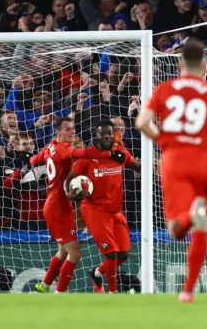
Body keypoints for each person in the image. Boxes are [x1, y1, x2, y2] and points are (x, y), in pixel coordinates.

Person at [135, 39, 207, 303]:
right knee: (202, 225)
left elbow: (142, 122)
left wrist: (164, 140)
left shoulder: (165, 89)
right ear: (204, 64)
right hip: (206, 159)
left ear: (180, 63)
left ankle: (189, 215)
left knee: (176, 230)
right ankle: (187, 291)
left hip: (175, 160)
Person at [29, 117, 126, 293]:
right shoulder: (64, 148)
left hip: (59, 204)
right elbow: (84, 154)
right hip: (58, 207)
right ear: (58, 132)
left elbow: (36, 160)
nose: (72, 131)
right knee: (75, 254)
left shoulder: (50, 145)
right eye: (67, 129)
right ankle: (60, 293)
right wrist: (110, 154)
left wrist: (29, 159)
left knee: (63, 252)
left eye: (73, 128)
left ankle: (44, 286)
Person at [65, 119, 140, 294]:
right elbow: (69, 179)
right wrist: (70, 194)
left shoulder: (119, 152)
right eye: (102, 133)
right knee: (111, 253)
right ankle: (113, 293)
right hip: (94, 209)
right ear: (96, 135)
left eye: (109, 133)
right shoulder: (88, 156)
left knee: (123, 255)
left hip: (115, 210)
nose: (106, 136)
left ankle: (97, 273)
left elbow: (137, 167)